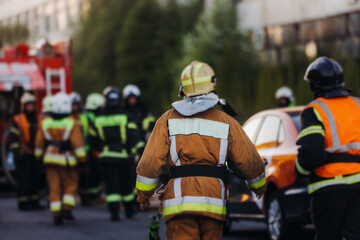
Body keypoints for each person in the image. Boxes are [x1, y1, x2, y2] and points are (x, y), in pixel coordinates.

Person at [136, 61, 267, 240]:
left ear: (183, 89)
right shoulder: (226, 122)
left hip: (178, 206)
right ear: (211, 87)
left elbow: (149, 164)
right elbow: (251, 161)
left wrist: (143, 197)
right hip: (213, 206)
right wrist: (259, 187)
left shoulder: (166, 120)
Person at [295, 56, 360, 240]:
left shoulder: (314, 110)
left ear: (314, 85)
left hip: (329, 188)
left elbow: (312, 152)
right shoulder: (357, 105)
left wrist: (299, 170)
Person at [35, 92, 86, 225]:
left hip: (50, 159)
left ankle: (56, 214)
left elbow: (39, 143)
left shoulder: (45, 122)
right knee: (71, 184)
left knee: (54, 188)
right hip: (67, 160)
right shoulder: (72, 122)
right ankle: (67, 209)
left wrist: (38, 158)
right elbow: (78, 144)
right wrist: (82, 160)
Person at [93, 87, 141, 221]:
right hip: (123, 156)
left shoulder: (99, 117)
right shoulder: (125, 115)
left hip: (106, 156)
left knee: (111, 185)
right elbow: (133, 135)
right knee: (126, 184)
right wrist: (139, 148)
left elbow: (93, 139)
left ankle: (114, 212)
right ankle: (129, 210)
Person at [9, 92, 43, 211]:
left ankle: (34, 201)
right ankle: (23, 203)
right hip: (23, 155)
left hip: (34, 154)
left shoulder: (37, 119)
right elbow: (13, 138)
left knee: (34, 179)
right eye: (28, 105)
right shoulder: (18, 120)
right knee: (24, 180)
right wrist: (16, 153)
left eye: (32, 105)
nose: (31, 107)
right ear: (23, 106)